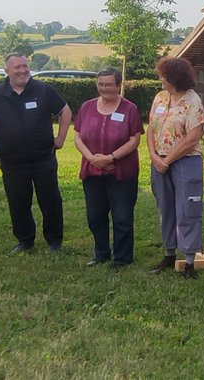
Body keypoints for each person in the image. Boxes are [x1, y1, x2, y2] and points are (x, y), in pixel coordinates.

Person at [0, 53, 73, 254]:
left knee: (50, 200)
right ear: (7, 71)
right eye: (17, 67)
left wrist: (61, 138)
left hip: (43, 158)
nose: (23, 70)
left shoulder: (43, 90)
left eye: (25, 66)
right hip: (11, 161)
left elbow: (65, 111)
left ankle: (54, 241)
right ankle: (24, 240)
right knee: (18, 202)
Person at [73, 69, 144, 269]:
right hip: (92, 170)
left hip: (122, 173)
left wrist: (111, 157)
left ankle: (122, 259)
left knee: (122, 216)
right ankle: (101, 253)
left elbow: (135, 139)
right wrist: (91, 158)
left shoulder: (129, 109)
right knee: (95, 216)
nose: (104, 88)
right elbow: (77, 136)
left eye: (108, 85)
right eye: (101, 84)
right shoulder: (87, 107)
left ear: (118, 85)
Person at [146, 57, 204, 279]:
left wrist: (167, 159)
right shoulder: (160, 98)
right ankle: (169, 254)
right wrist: (153, 155)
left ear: (174, 78)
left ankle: (189, 261)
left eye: (163, 75)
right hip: (159, 161)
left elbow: (193, 137)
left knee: (187, 209)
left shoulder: (193, 101)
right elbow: (151, 128)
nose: (160, 78)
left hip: (185, 161)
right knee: (166, 208)